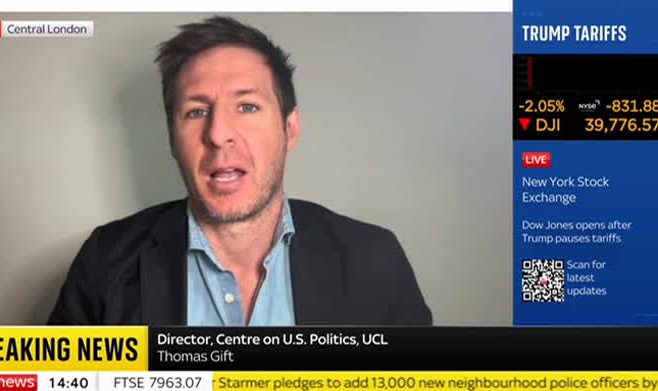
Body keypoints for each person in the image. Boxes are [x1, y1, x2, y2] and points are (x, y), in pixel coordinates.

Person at [47, 16, 432, 326]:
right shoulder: (104, 263)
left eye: (247, 107)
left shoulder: (374, 261)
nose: (218, 134)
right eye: (196, 112)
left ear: (290, 129)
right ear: (172, 140)